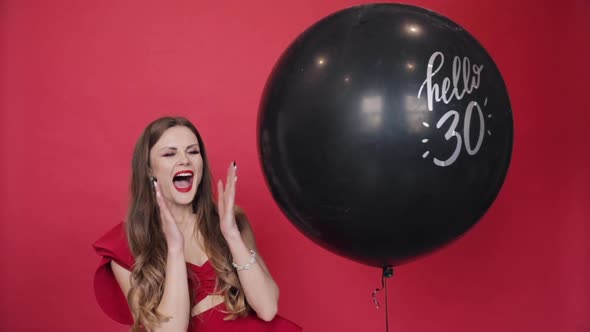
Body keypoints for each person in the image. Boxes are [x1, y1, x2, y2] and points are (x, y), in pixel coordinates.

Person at [92, 116, 302, 332]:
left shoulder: (231, 219)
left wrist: (231, 234)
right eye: (169, 153)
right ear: (148, 170)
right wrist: (175, 248)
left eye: (193, 151)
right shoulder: (124, 243)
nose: (184, 160)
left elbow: (267, 308)